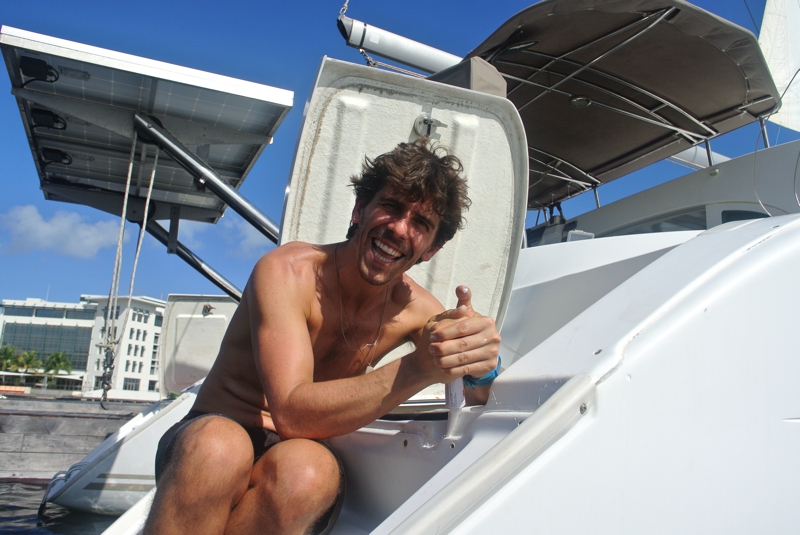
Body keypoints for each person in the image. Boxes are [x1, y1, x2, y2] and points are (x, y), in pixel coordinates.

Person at [144, 138, 501, 535]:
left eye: (421, 224)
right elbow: (291, 413)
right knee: (220, 448)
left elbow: (479, 393)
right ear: (359, 209)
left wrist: (480, 360)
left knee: (309, 474)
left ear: (431, 249)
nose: (400, 229)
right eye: (391, 206)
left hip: (294, 458)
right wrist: (417, 369)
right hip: (209, 439)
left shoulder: (418, 310)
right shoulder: (287, 272)